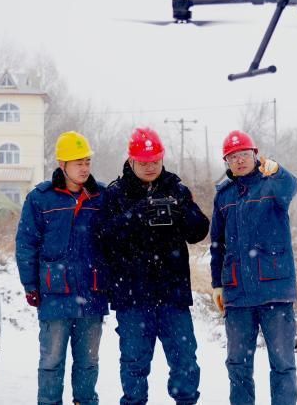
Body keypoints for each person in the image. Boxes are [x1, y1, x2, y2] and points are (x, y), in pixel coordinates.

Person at [98, 127, 209, 405]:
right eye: (144, 162)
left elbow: (198, 231)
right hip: (132, 296)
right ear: (131, 160)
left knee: (185, 362)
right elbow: (104, 238)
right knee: (134, 365)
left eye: (155, 162)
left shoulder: (177, 189)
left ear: (162, 159)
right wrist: (136, 215)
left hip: (173, 295)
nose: (150, 167)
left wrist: (180, 211)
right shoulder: (115, 194)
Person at [16, 130, 108, 405]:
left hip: (92, 292)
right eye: (77, 162)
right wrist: (30, 285)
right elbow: (26, 244)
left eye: (87, 162)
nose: (84, 168)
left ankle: (85, 401)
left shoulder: (101, 196)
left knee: (88, 362)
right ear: (62, 165)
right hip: (55, 293)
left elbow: (114, 242)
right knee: (52, 360)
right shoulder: (40, 199)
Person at [210, 130, 297, 405]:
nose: (239, 161)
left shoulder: (272, 184)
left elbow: (291, 187)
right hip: (238, 296)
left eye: (244, 155)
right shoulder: (223, 196)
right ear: (227, 161)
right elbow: (217, 244)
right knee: (237, 365)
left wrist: (279, 171)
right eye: (233, 157)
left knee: (282, 363)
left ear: (255, 154)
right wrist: (217, 284)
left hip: (275, 291)